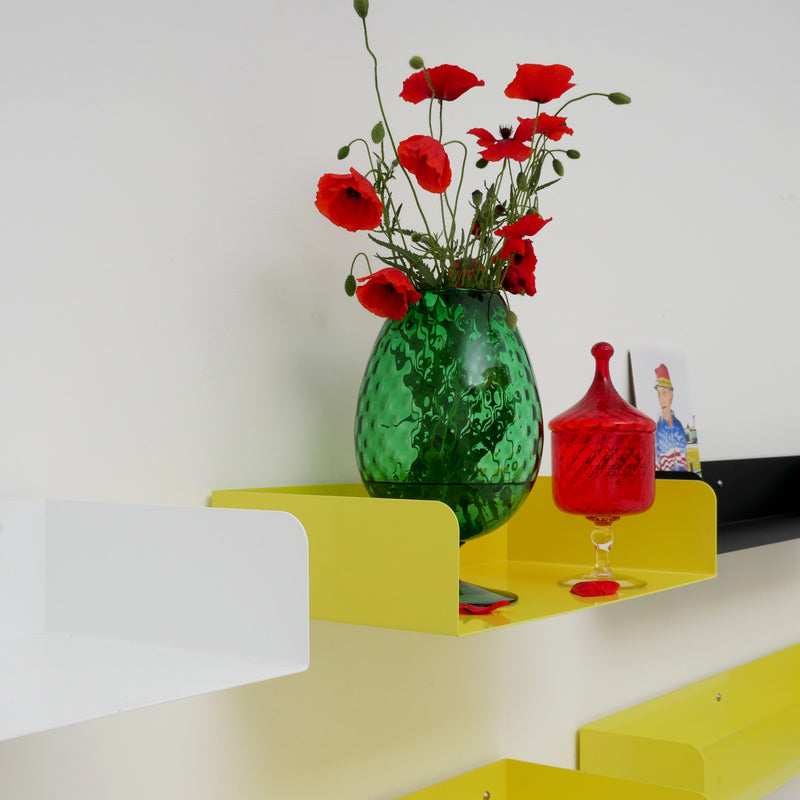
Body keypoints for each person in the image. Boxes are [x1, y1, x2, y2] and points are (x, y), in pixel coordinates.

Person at [654, 364, 688, 471]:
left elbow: (685, 461)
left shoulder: (679, 426)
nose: (661, 399)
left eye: (664, 392)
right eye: (659, 394)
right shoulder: (657, 430)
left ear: (671, 395)